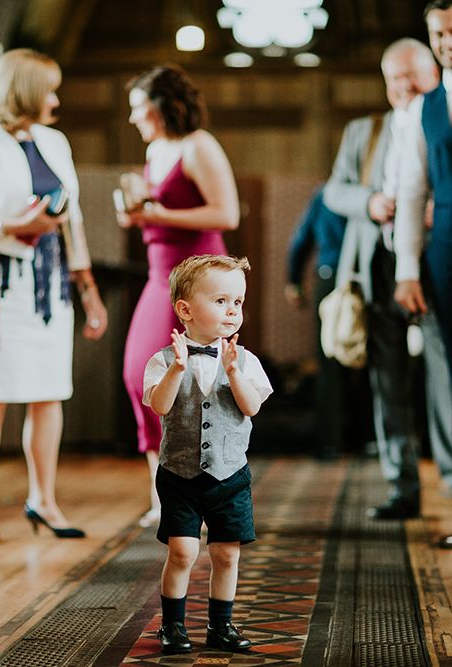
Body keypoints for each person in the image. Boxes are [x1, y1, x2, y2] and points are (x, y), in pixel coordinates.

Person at [0, 49, 108, 543]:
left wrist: (89, 292)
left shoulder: (54, 142)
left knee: (47, 394)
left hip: (48, 287)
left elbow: (71, 221)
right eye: (49, 90)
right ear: (24, 92)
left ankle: (44, 499)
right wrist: (14, 225)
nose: (56, 99)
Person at [119, 65, 240, 529]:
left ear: (162, 105)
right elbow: (164, 213)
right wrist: (143, 216)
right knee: (141, 375)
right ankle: (163, 492)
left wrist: (159, 211)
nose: (133, 118)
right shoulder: (156, 149)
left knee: (203, 383)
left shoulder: (199, 145)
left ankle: (210, 496)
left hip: (201, 275)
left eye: (138, 108)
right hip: (159, 274)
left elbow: (225, 212)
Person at [323, 38, 439, 520]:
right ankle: (402, 487)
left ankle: (449, 484)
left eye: (413, 76)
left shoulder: (443, 123)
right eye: (395, 78)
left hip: (437, 265)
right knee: (387, 381)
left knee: (443, 378)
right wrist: (369, 203)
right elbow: (333, 191)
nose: (403, 86)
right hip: (378, 268)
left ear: (434, 76)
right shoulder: (364, 131)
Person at [143, 254, 272, 654]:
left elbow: (250, 407)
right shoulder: (162, 361)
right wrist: (177, 369)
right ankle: (173, 626)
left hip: (230, 476)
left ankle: (221, 626)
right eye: (221, 301)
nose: (233, 310)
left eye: (238, 302)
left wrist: (233, 374)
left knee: (226, 554)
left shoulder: (245, 360)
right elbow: (160, 406)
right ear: (185, 310)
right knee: (182, 551)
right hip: (179, 475)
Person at [394, 1, 452, 547]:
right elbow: (412, 194)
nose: (447, 41)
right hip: (446, 256)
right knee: (450, 380)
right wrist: (407, 269)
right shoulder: (423, 109)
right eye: (439, 33)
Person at [284, 186, 359, 459]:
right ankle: (368, 441)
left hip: (328, 279)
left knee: (328, 363)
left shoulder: (324, 195)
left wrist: (294, 281)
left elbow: (300, 240)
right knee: (368, 360)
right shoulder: (369, 194)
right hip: (365, 280)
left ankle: (330, 443)